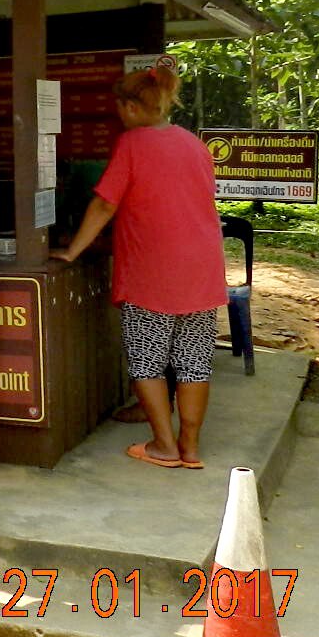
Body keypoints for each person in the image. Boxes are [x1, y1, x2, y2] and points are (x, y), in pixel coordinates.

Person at [53, 62, 226, 470]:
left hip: (155, 268)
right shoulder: (194, 144)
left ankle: (164, 446)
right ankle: (191, 448)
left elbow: (104, 204)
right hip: (203, 267)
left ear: (131, 106)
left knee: (147, 359)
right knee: (194, 360)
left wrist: (72, 251)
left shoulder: (133, 143)